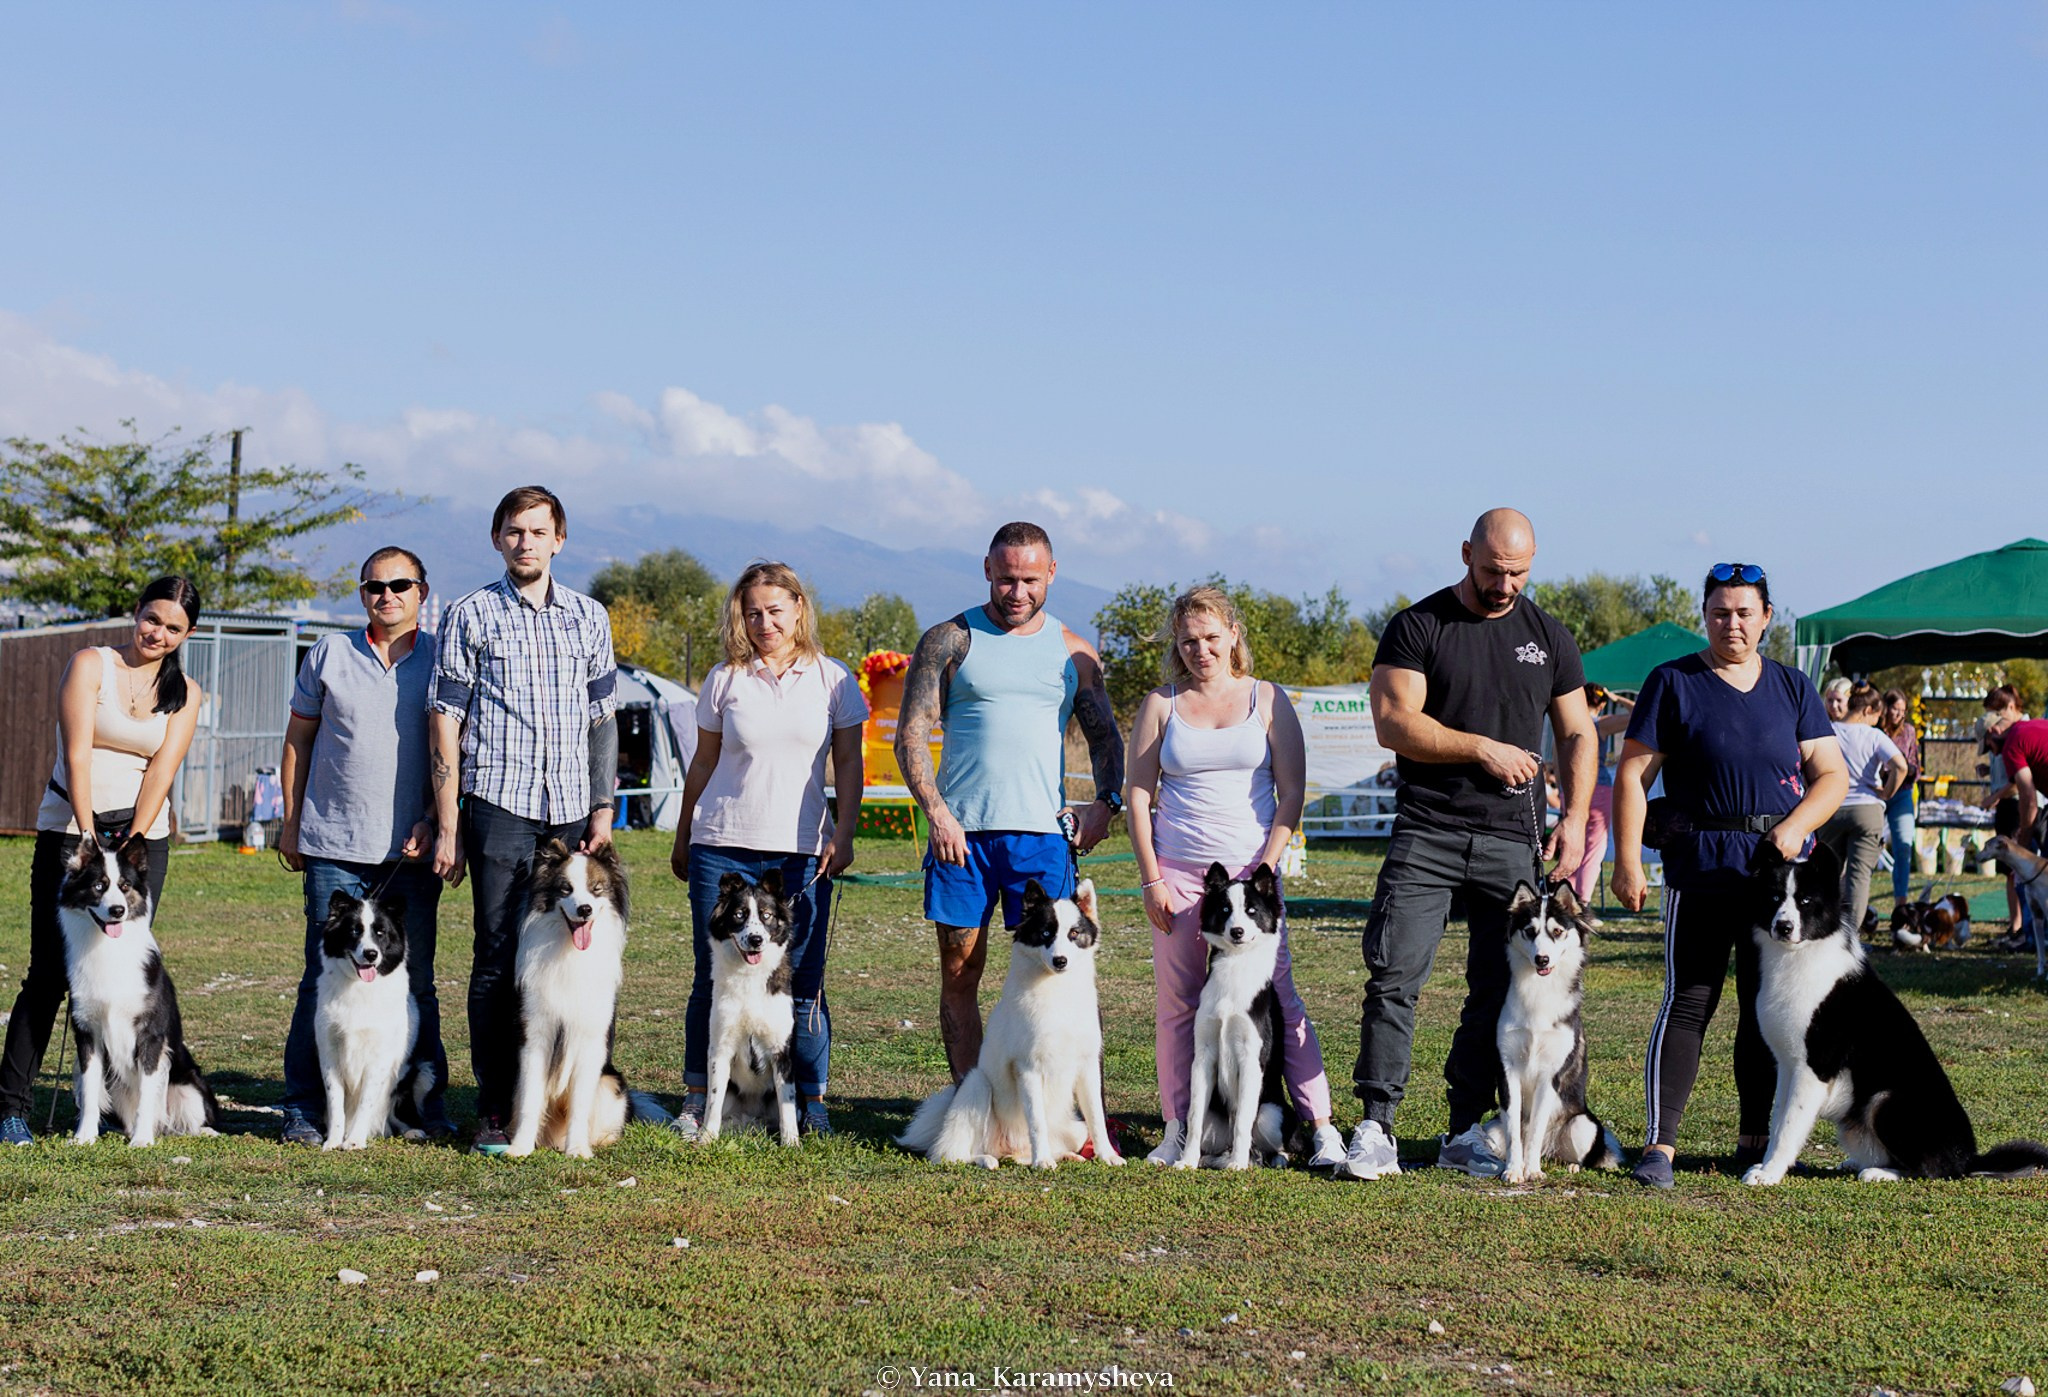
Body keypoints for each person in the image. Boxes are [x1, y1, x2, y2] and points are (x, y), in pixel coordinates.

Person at [1338, 508, 1597, 1182]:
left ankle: (1466, 1130)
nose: (1505, 584)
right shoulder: (1420, 625)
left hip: (1513, 837)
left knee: (1496, 989)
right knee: (1395, 976)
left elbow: (1577, 732)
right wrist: (1481, 748)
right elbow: (1394, 721)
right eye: (1492, 570)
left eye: (1518, 572)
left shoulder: (1549, 636)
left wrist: (1572, 815)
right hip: (1429, 829)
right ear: (1465, 554)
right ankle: (1375, 1126)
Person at [1612, 563, 1847, 1188]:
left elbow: (1832, 776)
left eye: (1745, 612)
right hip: (1702, 867)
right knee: (1689, 1000)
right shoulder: (1674, 682)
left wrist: (1797, 826)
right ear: (1705, 616)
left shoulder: (1794, 688)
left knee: (1761, 1007)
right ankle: (1659, 1146)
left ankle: (1754, 1140)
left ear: (1767, 617)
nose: (1732, 623)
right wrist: (1628, 859)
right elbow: (1634, 775)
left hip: (1776, 881)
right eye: (1721, 611)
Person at [1124, 585, 1347, 1170]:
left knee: (1280, 996)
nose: (1201, 650)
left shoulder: (1268, 700)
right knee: (1178, 1003)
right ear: (1177, 644)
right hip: (1179, 875)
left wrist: (1268, 867)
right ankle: (1179, 1130)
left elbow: (1292, 792)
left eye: (1212, 638)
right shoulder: (1161, 704)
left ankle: (1320, 1126)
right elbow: (1139, 793)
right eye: (1189, 640)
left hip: (1252, 881)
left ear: (1234, 637)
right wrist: (1152, 879)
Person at [896, 522, 1124, 1084]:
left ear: (1051, 573)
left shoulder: (1075, 652)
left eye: (1029, 579)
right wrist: (937, 813)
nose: (1016, 592)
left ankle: (1069, 1114)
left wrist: (1106, 804)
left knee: (1064, 976)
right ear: (987, 572)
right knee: (959, 974)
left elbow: (1106, 739)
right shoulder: (948, 640)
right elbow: (911, 734)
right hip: (962, 839)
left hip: (1043, 840)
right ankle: (977, 1106)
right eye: (1005, 580)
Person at [429, 486, 619, 1155]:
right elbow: (446, 716)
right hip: (497, 804)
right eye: (514, 531)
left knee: (573, 957)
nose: (525, 542)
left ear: (559, 539)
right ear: (497, 538)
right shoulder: (470, 613)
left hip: (569, 808)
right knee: (496, 955)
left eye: (538, 531)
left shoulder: (588, 617)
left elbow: (602, 718)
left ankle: (569, 1099)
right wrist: (449, 819)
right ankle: (497, 1105)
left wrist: (603, 803)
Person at [1, 577, 205, 1146]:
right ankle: (12, 1107)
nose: (157, 634)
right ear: (136, 611)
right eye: (152, 619)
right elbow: (77, 752)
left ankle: (120, 1103)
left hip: (141, 840)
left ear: (187, 634)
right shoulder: (91, 664)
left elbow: (162, 773)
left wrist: (132, 849)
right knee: (49, 975)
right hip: (74, 829)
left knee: (125, 974)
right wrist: (90, 839)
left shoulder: (186, 692)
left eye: (173, 628)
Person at [667, 562, 868, 1138]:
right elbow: (703, 762)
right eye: (752, 612)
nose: (764, 622)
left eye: (775, 610)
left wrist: (845, 832)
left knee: (803, 980)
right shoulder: (724, 679)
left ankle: (811, 1099)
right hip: (721, 845)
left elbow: (849, 763)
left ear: (799, 608)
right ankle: (697, 1096)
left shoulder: (834, 680)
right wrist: (684, 835)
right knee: (714, 978)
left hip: (801, 853)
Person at [275, 547, 454, 1145]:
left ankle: (424, 1102)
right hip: (333, 844)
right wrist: (291, 817)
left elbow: (454, 752)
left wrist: (435, 819)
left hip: (410, 850)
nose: (387, 595)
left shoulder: (440, 660)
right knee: (318, 978)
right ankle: (303, 1105)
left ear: (422, 593)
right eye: (375, 587)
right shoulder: (329, 653)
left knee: (417, 981)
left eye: (400, 585)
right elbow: (299, 737)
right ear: (362, 596)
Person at [1818, 684, 1908, 937]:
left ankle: (1822, 931)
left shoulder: (1828, 731)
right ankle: (1848, 939)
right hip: (1868, 809)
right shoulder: (1874, 736)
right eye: (1877, 716)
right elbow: (1900, 766)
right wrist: (1887, 793)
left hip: (1832, 806)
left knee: (1828, 874)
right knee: (1859, 878)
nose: (1878, 721)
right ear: (1868, 710)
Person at [1559, 685, 1634, 907]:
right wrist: (1617, 698)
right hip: (1598, 788)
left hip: (1569, 789)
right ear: (1600, 704)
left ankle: (1565, 896)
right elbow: (1639, 713)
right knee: (1594, 848)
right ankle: (1582, 900)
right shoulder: (1599, 724)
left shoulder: (1566, 726)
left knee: (1572, 843)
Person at [1878, 689, 1921, 908]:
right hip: (1876, 792)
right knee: (1869, 847)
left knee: (1903, 846)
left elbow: (1916, 765)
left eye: (1903, 711)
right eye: (1895, 709)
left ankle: (1901, 906)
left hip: (1902, 792)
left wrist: (1904, 768)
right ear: (1885, 707)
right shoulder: (1873, 730)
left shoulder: (1909, 732)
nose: (1899, 714)